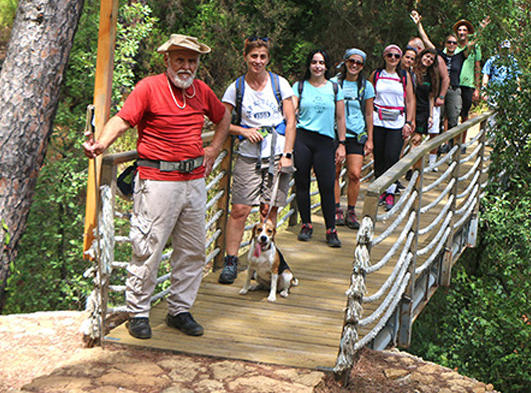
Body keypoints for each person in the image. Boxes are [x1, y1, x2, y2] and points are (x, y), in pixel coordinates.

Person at [83, 34, 231, 340]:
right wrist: (101, 144)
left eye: (192, 61)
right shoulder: (148, 87)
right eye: (180, 59)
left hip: (194, 181)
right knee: (147, 248)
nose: (186, 66)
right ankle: (138, 312)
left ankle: (179, 310)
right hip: (157, 182)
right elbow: (123, 119)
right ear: (167, 60)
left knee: (192, 251)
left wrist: (214, 149)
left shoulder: (201, 91)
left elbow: (223, 116)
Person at [219, 37, 297, 284]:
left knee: (269, 208)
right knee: (240, 209)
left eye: (263, 56)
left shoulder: (279, 84)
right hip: (248, 154)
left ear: (268, 59)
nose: (258, 61)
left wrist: (287, 154)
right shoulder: (237, 88)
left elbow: (291, 120)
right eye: (254, 56)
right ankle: (231, 261)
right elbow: (221, 121)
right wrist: (242, 131)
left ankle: (263, 260)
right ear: (245, 57)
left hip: (276, 152)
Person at [293, 50, 347, 247]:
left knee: (326, 184)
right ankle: (306, 224)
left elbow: (340, 118)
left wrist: (342, 144)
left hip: (325, 141)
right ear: (309, 65)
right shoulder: (299, 87)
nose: (317, 66)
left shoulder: (334, 88)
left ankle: (331, 229)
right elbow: (291, 114)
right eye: (314, 62)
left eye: (321, 63)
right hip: (303, 138)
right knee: (302, 183)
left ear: (326, 66)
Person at [332, 48, 374, 230]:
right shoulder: (333, 83)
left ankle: (351, 210)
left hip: (356, 134)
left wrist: (370, 138)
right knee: (334, 172)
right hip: (335, 133)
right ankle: (335, 209)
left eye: (359, 63)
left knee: (355, 174)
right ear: (345, 61)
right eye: (351, 61)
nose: (354, 65)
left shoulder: (366, 86)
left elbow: (369, 113)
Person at [371, 44, 416, 209]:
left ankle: (390, 191)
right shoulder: (376, 74)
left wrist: (409, 122)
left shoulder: (404, 76)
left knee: (392, 156)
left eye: (397, 56)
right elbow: (370, 97)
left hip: (397, 121)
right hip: (378, 120)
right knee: (379, 157)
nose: (393, 59)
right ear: (384, 56)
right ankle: (379, 190)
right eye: (390, 55)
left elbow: (410, 100)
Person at [453, 19, 484, 122]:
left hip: (468, 85)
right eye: (460, 30)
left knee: (464, 114)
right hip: (454, 84)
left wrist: (477, 88)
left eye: (464, 30)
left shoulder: (475, 47)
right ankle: (449, 138)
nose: (462, 32)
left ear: (468, 33)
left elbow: (477, 67)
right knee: (451, 114)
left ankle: (462, 138)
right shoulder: (452, 46)